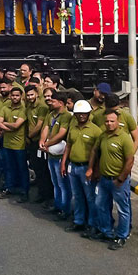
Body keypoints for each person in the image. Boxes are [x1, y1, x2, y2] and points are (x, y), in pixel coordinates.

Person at [88, 110, 135, 250]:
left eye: (112, 121)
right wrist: (93, 169)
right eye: (107, 121)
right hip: (103, 179)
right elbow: (96, 152)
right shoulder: (103, 136)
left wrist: (121, 179)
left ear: (118, 121)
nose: (109, 124)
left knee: (122, 209)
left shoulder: (124, 138)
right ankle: (106, 231)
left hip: (118, 181)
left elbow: (130, 160)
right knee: (100, 205)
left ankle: (122, 236)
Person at [61, 100, 102, 234]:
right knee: (77, 196)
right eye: (78, 114)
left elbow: (97, 153)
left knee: (90, 197)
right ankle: (79, 221)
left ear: (89, 114)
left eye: (84, 114)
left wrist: (92, 170)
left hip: (86, 168)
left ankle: (92, 224)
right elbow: (68, 146)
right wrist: (63, 163)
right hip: (73, 167)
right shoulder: (73, 128)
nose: (81, 116)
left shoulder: (96, 131)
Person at [40, 91, 73, 219]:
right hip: (50, 155)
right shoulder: (51, 114)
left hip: (59, 156)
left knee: (63, 184)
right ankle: (57, 205)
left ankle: (65, 209)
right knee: (55, 182)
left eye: (53, 101)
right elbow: (46, 128)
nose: (50, 102)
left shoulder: (66, 116)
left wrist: (47, 144)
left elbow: (61, 134)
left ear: (60, 103)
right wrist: (42, 141)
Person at [0, 88, 29, 202]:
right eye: (13, 95)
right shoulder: (5, 108)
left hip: (19, 145)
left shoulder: (24, 109)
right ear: (10, 96)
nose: (15, 97)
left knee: (22, 168)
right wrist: (8, 127)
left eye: (17, 95)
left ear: (21, 96)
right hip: (6, 143)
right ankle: (9, 188)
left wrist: (4, 124)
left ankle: (25, 191)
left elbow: (16, 126)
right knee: (9, 168)